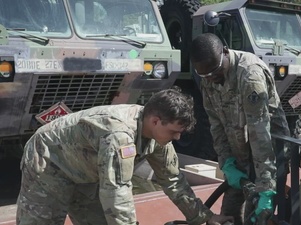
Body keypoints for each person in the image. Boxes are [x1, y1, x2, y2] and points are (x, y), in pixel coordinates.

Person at [16, 88, 233, 225]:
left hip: (86, 171)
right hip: (49, 160)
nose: (177, 137)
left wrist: (205, 217)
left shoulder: (160, 137)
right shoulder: (119, 135)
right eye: (174, 131)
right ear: (156, 121)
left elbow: (174, 181)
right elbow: (117, 193)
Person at [190, 33, 290, 224]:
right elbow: (216, 124)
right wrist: (226, 163)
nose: (211, 78)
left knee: (257, 215)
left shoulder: (250, 74)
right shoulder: (208, 77)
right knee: (229, 212)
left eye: (215, 71)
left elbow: (260, 132)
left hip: (268, 156)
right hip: (239, 156)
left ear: (225, 52)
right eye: (205, 75)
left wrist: (266, 185)